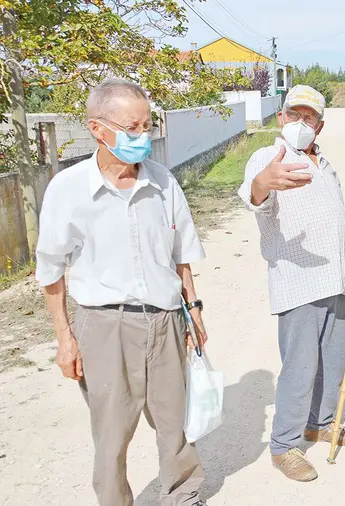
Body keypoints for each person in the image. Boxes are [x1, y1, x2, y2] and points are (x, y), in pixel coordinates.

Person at [35, 78, 207, 506]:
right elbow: (51, 271)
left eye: (147, 125)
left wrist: (194, 309)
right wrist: (64, 339)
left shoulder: (163, 182)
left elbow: (181, 252)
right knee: (111, 434)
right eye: (133, 128)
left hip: (165, 321)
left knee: (174, 425)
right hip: (104, 325)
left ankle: (183, 497)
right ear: (98, 128)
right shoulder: (68, 189)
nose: (143, 137)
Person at [238, 85, 345, 482]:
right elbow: (255, 197)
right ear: (280, 117)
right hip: (297, 281)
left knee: (332, 359)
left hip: (335, 278)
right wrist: (263, 181)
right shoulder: (268, 157)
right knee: (300, 367)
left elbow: (333, 220)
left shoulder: (325, 164)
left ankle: (319, 423)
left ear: (319, 126)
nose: (300, 123)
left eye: (309, 118)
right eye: (294, 114)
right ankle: (284, 446)